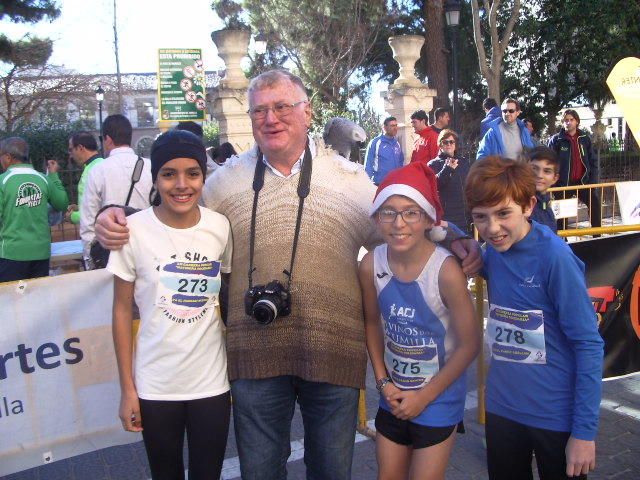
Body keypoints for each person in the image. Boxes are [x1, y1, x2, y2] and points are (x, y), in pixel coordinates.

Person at [93, 69, 482, 480]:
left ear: (307, 112)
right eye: (259, 110)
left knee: (331, 472)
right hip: (253, 358)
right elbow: (175, 211)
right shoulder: (223, 183)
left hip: (333, 355)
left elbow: (401, 221)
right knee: (260, 473)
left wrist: (454, 236)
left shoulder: (350, 181)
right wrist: (113, 216)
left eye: (282, 107)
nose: (270, 118)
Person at [465, 156, 604, 480]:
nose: (493, 228)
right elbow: (470, 250)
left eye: (503, 214)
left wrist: (584, 432)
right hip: (502, 409)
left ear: (528, 206)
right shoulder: (495, 251)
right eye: (480, 218)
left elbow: (588, 344)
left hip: (554, 415)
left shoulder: (555, 258)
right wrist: (454, 236)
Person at [107, 129, 232, 480]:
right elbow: (120, 311)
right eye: (168, 174)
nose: (181, 184)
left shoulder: (220, 227)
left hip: (211, 384)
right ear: (156, 178)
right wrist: (127, 390)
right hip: (155, 386)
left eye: (192, 173)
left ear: (203, 177)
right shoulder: (131, 231)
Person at [360, 162, 480, 480]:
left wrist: (424, 397)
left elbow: (470, 344)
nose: (399, 223)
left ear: (429, 219)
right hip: (394, 396)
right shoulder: (371, 264)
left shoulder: (446, 271)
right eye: (388, 212)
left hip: (438, 398)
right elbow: (371, 323)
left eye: (411, 212)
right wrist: (383, 383)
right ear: (376, 218)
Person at [80, 114, 153, 266]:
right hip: (147, 248)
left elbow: (88, 221)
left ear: (107, 139)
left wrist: (90, 259)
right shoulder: (151, 167)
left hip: (112, 254)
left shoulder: (98, 170)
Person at [0, 137, 69, 282]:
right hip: (41, 253)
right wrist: (54, 175)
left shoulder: (3, 181)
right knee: (37, 298)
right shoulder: (42, 179)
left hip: (11, 254)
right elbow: (62, 203)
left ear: (8, 157)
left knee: (13, 299)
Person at [548, 109, 601, 229]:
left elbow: (593, 161)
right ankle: (563, 242)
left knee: (595, 206)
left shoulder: (584, 139)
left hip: (583, 183)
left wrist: (592, 182)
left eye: (571, 120)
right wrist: (554, 185)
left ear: (577, 121)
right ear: (562, 122)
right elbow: (549, 164)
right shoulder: (556, 140)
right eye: (566, 120)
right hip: (563, 185)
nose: (568, 122)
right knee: (562, 217)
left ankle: (597, 236)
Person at [428, 129, 473, 233]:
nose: (449, 144)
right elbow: (435, 185)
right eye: (445, 142)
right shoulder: (433, 164)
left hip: (464, 214)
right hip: (446, 214)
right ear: (440, 145)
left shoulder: (463, 162)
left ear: (455, 144)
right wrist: (447, 169)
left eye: (451, 142)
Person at [65, 131, 104, 225]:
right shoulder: (103, 164)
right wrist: (79, 207)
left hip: (94, 234)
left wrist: (71, 217)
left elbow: (89, 214)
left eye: (71, 150)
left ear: (80, 148)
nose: (70, 155)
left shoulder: (90, 171)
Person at [528, 146, 560, 233]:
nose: (539, 175)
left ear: (555, 178)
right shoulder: (518, 205)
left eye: (547, 171)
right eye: (534, 168)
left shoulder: (545, 206)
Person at [364, 116, 404, 185]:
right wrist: (367, 184)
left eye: (396, 125)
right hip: (380, 184)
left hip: (395, 183)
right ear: (385, 127)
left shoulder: (397, 143)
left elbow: (400, 162)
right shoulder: (375, 143)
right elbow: (368, 165)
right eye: (392, 126)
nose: (395, 128)